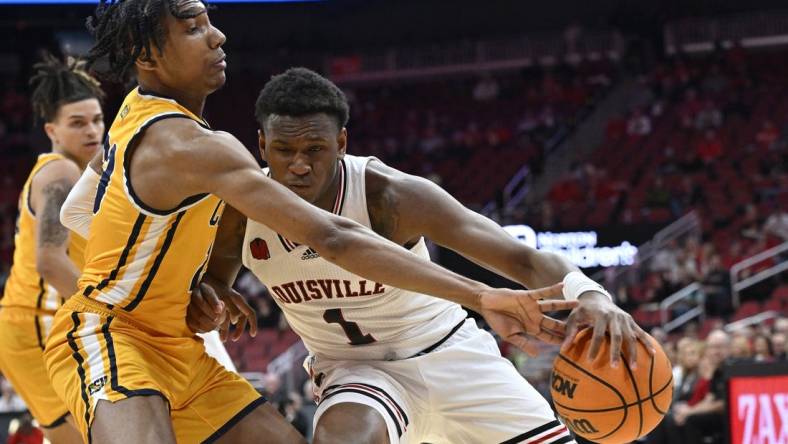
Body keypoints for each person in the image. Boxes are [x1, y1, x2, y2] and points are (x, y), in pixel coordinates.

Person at [48, 2, 578, 443]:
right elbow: (333, 236)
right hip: (113, 334)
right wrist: (483, 296)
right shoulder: (194, 146)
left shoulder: (135, 113)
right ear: (146, 54)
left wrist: (192, 284)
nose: (217, 35)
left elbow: (81, 213)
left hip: (180, 349)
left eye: (208, 21)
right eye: (193, 27)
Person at [188, 67, 652, 444]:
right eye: (284, 150)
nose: (300, 165)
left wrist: (591, 294)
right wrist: (214, 297)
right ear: (262, 145)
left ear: (342, 144)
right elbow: (215, 281)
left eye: (315, 149)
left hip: (450, 352)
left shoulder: (389, 196)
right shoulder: (239, 208)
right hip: (356, 372)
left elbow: (522, 260)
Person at [0, 54, 104, 444]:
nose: (92, 131)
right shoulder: (60, 171)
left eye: (96, 119)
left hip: (46, 325)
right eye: (77, 123)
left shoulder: (83, 173)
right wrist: (112, 310)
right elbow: (49, 260)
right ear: (52, 130)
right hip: (36, 327)